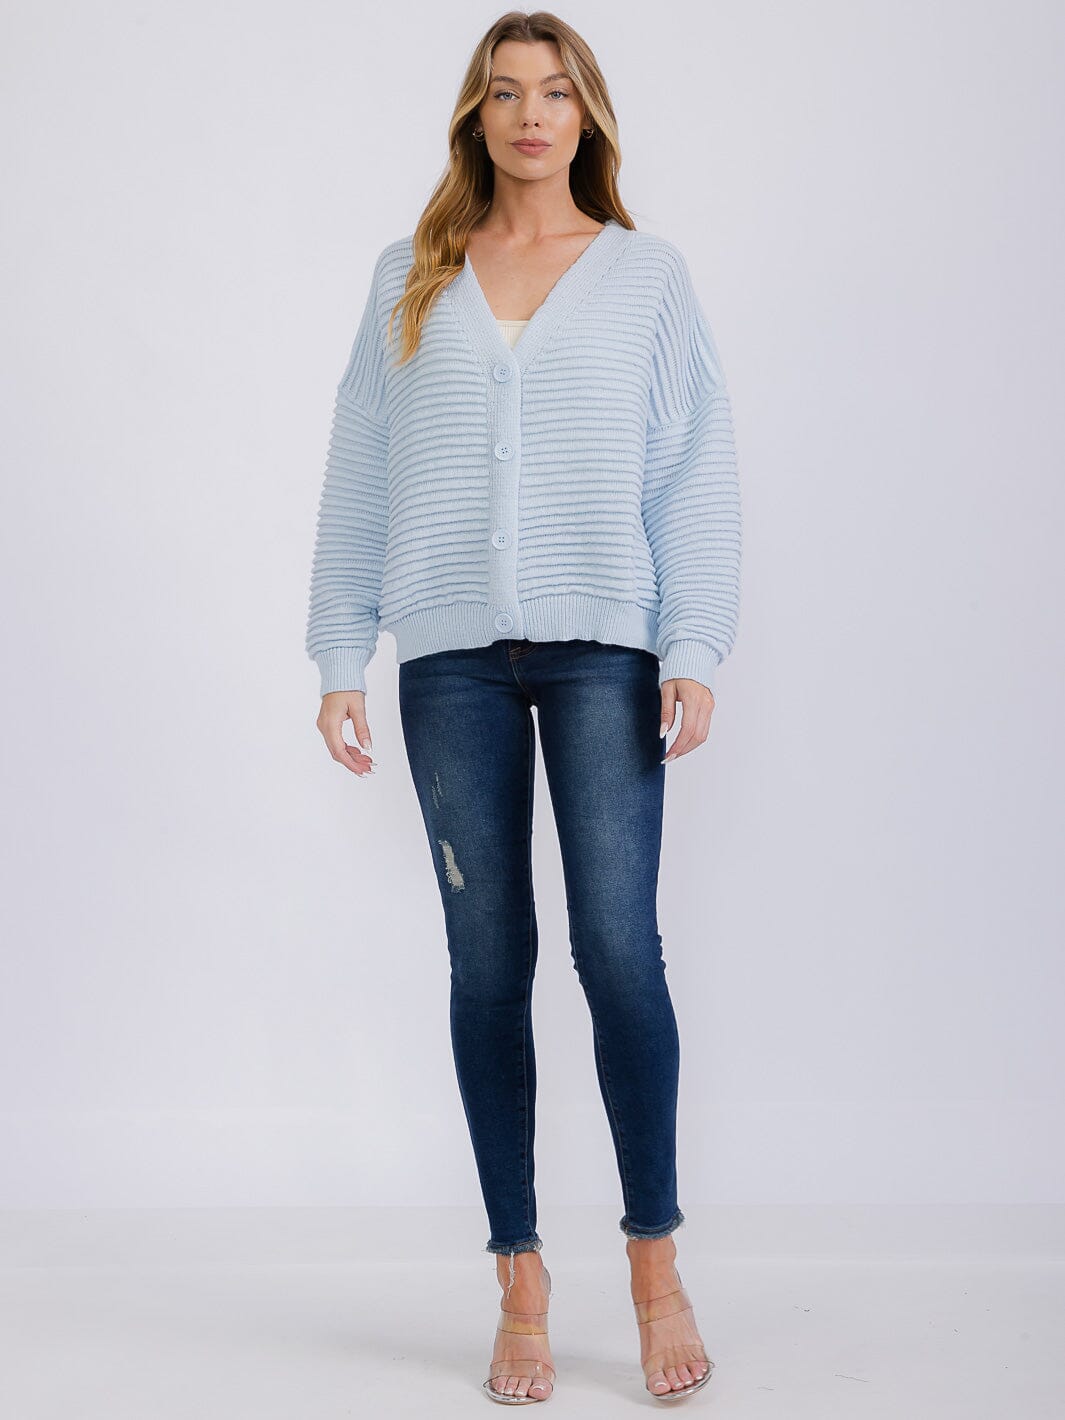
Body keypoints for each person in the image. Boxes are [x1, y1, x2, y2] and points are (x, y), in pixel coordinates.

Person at [305, 11, 742, 1404]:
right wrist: (339, 654)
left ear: (586, 115)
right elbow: (360, 465)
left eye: (555, 92)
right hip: (447, 663)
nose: (531, 115)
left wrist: (692, 643)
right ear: (476, 117)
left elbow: (693, 466)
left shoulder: (645, 277)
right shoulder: (411, 275)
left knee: (618, 953)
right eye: (506, 93)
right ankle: (520, 1279)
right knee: (486, 963)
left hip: (605, 651)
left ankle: (655, 1268)